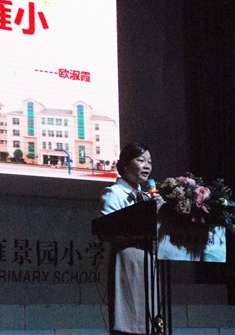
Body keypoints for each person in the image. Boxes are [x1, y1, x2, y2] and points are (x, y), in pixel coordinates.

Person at [99, 142, 164, 335]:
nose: (147, 166)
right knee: (130, 319)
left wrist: (162, 211)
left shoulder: (147, 197)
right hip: (129, 260)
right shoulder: (114, 193)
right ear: (126, 164)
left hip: (149, 261)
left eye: (149, 162)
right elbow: (106, 230)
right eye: (141, 160)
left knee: (150, 320)